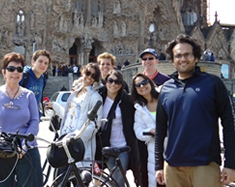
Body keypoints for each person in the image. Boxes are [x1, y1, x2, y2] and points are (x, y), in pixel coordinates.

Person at [155, 34, 235, 187]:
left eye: (187, 55)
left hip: (204, 164)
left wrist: (231, 163)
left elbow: (229, 124)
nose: (182, 59)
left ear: (196, 58)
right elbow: (160, 130)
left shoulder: (212, 83)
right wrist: (159, 166)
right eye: (178, 55)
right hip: (173, 166)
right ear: (172, 61)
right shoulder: (166, 89)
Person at [0, 52, 42, 187]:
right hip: (1, 152)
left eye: (19, 69)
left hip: (26, 151)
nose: (15, 72)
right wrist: (3, 147)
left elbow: (34, 122)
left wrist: (24, 146)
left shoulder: (29, 95)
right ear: (4, 72)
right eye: (11, 69)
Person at [46, 63, 103, 168]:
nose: (89, 77)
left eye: (93, 76)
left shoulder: (96, 97)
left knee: (78, 180)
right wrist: (54, 106)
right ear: (82, 72)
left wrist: (77, 138)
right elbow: (69, 116)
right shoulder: (75, 93)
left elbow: (95, 124)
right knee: (62, 180)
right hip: (64, 141)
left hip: (77, 144)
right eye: (88, 73)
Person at [96, 69, 141, 187]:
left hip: (122, 147)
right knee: (108, 179)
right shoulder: (99, 97)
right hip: (105, 146)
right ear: (106, 82)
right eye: (110, 80)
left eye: (117, 82)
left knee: (118, 179)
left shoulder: (127, 100)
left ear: (121, 85)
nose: (113, 84)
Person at [131, 73, 163, 187]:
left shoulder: (164, 98)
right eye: (138, 85)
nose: (141, 86)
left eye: (144, 82)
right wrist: (150, 131)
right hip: (153, 151)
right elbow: (138, 131)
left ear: (150, 82)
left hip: (172, 147)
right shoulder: (139, 108)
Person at [19, 49, 51, 118]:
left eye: (46, 63)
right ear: (33, 62)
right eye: (40, 61)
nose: (43, 65)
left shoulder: (43, 79)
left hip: (33, 120)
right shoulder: (23, 76)